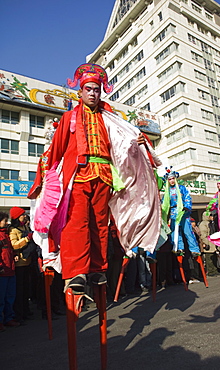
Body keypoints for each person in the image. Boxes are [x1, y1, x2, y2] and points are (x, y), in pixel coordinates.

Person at [28, 63, 161, 295]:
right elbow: (54, 152)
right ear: (80, 92)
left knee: (100, 225)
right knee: (76, 223)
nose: (93, 93)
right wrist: (42, 181)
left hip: (104, 177)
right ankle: (76, 272)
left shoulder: (111, 120)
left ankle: (98, 269)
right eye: (88, 89)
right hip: (78, 176)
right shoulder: (69, 117)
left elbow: (123, 146)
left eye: (97, 90)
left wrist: (139, 146)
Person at [162, 167, 201, 256]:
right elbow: (163, 203)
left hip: (183, 212)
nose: (171, 181)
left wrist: (186, 207)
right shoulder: (167, 192)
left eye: (173, 178)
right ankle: (179, 248)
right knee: (175, 232)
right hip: (173, 213)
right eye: (169, 179)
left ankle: (194, 249)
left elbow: (187, 198)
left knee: (187, 231)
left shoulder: (181, 188)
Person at [9, 207, 33, 323]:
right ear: (17, 217)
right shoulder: (13, 230)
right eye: (22, 215)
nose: (25, 216)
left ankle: (26, 311)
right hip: (19, 265)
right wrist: (27, 239)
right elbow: (14, 245)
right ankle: (19, 314)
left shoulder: (24, 226)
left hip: (27, 262)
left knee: (26, 289)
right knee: (19, 290)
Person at [0, 212, 20, 331]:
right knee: (1, 298)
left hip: (11, 270)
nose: (6, 222)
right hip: (2, 272)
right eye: (4, 220)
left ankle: (9, 318)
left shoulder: (6, 234)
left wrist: (15, 255)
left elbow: (10, 250)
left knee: (10, 296)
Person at [199, 212, 219, 276]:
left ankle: (215, 270)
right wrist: (206, 243)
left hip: (212, 242)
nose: (211, 217)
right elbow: (203, 234)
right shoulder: (203, 224)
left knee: (213, 257)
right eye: (210, 216)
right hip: (208, 242)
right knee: (209, 258)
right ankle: (211, 271)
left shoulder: (211, 223)